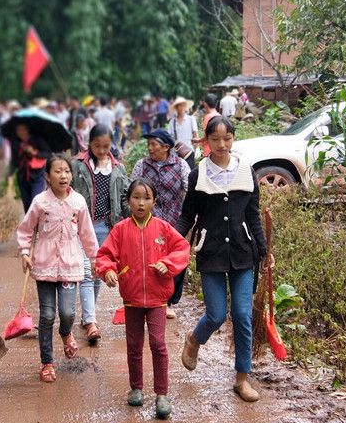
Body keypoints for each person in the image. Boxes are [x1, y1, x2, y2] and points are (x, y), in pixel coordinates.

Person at [175, 115, 273, 403]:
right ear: (206, 140)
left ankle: (242, 378)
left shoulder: (246, 171)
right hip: (211, 251)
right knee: (217, 314)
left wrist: (265, 252)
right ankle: (194, 341)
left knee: (242, 315)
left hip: (244, 253)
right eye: (215, 139)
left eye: (227, 138)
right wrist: (173, 239)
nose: (221, 144)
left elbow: (253, 214)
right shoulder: (198, 174)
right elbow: (187, 214)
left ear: (233, 138)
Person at [96, 178, 190, 419]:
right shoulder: (120, 229)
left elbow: (182, 249)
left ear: (154, 201)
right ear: (128, 200)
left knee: (158, 344)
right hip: (132, 299)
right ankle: (136, 388)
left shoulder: (163, 228)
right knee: (134, 345)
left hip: (159, 299)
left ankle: (162, 394)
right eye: (136, 197)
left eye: (146, 198)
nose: (141, 203)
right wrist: (107, 270)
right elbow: (105, 254)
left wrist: (167, 264)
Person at [16, 154, 98, 383]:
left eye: (67, 171)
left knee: (68, 313)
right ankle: (47, 362)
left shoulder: (78, 202)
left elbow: (87, 233)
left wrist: (94, 258)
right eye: (57, 172)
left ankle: (65, 333)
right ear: (47, 176)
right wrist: (24, 252)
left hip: (71, 265)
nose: (63, 176)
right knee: (47, 315)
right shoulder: (40, 202)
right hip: (44, 265)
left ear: (71, 175)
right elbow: (25, 230)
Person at [71, 124, 129, 343]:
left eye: (106, 146)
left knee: (99, 272)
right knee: (87, 272)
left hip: (107, 227)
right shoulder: (76, 166)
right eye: (97, 146)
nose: (102, 150)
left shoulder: (118, 168)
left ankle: (89, 316)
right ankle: (91, 321)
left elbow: (124, 198)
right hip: (81, 227)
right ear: (89, 143)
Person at [130, 128, 190, 318]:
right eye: (148, 144)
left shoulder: (180, 165)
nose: (149, 148)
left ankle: (169, 301)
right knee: (150, 260)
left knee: (177, 259)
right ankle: (153, 300)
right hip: (148, 222)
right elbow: (131, 190)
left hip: (176, 222)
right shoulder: (142, 166)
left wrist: (190, 216)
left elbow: (190, 190)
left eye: (153, 144)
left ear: (166, 147)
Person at [7, 120, 53, 212]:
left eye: (23, 130)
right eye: (18, 130)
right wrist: (10, 175)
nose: (21, 133)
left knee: (35, 202)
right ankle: (30, 226)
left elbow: (48, 154)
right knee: (27, 206)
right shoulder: (16, 143)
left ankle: (38, 224)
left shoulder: (38, 140)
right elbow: (14, 161)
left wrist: (35, 152)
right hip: (22, 177)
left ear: (28, 129)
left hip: (38, 176)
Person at [167, 96, 198, 170]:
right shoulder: (173, 122)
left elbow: (195, 134)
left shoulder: (191, 119)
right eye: (179, 106)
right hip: (177, 153)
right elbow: (168, 136)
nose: (181, 108)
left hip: (188, 152)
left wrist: (197, 148)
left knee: (189, 174)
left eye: (183, 106)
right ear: (176, 108)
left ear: (185, 107)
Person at [192, 93, 220, 157]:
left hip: (209, 150)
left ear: (205, 104)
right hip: (217, 149)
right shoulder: (219, 116)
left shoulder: (208, 117)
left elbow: (206, 136)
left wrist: (198, 144)